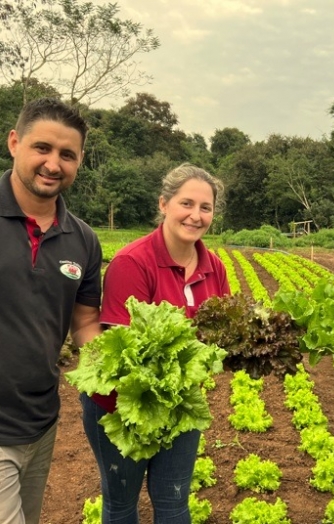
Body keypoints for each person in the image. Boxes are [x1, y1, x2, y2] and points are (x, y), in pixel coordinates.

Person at [81, 163, 230, 523]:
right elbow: (122, 350)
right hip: (123, 403)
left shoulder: (214, 266)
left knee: (174, 502)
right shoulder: (133, 262)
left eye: (205, 208)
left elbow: (222, 335)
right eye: (186, 204)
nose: (196, 216)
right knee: (121, 504)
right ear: (164, 204)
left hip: (181, 404)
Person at [0, 98, 102, 524]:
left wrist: (119, 370)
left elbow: (83, 322)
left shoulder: (83, 240)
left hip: (41, 421)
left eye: (67, 155)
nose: (53, 164)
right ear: (14, 142)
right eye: (42, 148)